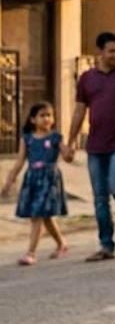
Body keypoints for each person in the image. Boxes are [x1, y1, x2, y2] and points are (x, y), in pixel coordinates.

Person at [65, 32, 115, 261]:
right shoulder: (87, 79)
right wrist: (70, 143)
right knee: (100, 197)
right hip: (96, 146)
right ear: (100, 52)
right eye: (112, 51)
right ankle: (106, 245)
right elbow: (79, 111)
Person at [2, 103, 69, 265]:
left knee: (37, 215)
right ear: (33, 119)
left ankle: (31, 252)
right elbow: (19, 161)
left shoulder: (56, 138)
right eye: (42, 115)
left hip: (50, 179)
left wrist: (68, 150)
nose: (46, 119)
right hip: (33, 178)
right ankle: (61, 244)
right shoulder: (27, 139)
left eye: (49, 115)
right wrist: (9, 180)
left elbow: (67, 156)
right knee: (45, 216)